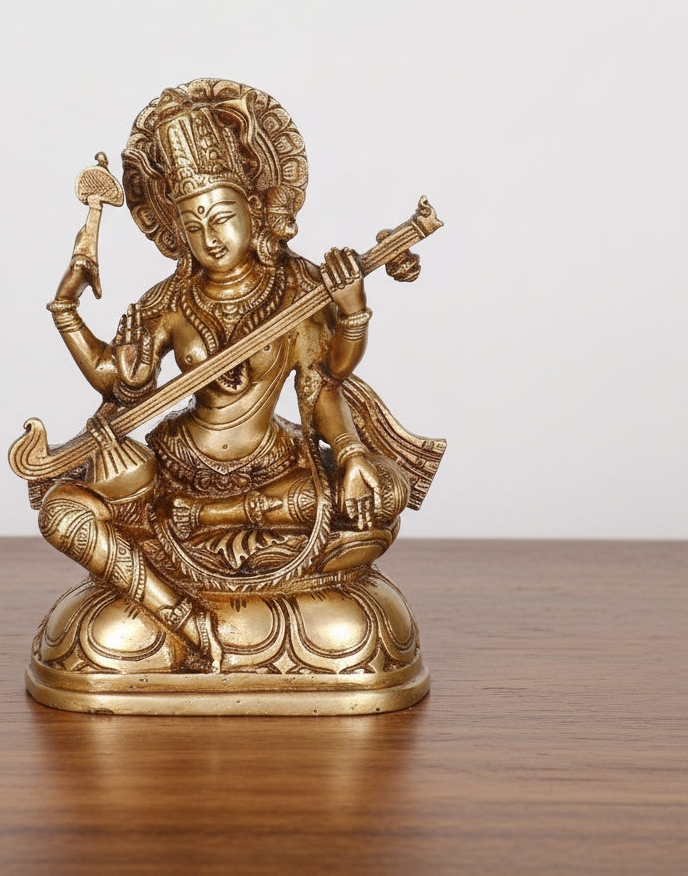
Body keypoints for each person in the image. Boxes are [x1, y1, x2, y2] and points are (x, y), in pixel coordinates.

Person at [35, 80, 418, 670]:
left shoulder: (295, 287)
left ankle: (185, 578)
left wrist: (351, 324)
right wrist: (67, 312)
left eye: (221, 217)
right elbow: (117, 379)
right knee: (62, 510)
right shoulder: (169, 300)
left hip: (274, 474)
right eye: (193, 226)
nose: (210, 238)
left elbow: (324, 382)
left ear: (255, 209)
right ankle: (181, 616)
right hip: (177, 473)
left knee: (384, 492)